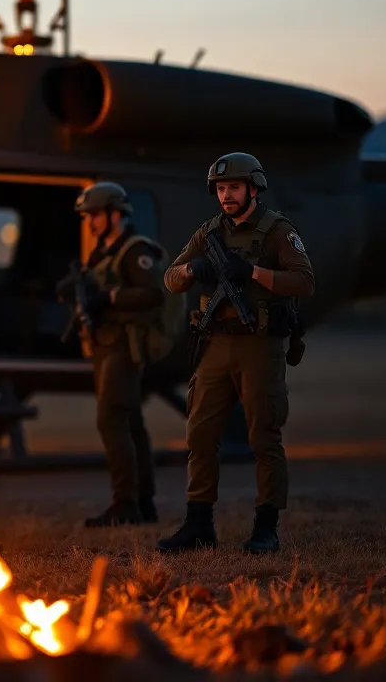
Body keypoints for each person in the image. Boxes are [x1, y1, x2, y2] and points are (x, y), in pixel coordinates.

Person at [156, 152, 314, 555]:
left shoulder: (276, 230)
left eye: (234, 188)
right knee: (200, 434)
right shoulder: (209, 233)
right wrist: (193, 271)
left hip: (259, 344)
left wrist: (254, 273)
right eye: (221, 189)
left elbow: (304, 281)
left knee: (263, 436)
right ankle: (198, 524)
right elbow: (171, 278)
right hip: (216, 344)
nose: (226, 195)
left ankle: (266, 527)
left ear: (253, 189)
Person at [55, 181, 169, 528]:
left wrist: (110, 297)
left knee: (111, 418)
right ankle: (143, 502)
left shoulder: (134, 250)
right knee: (130, 419)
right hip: (103, 344)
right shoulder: (102, 252)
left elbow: (153, 293)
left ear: (115, 214)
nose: (90, 222)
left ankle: (125, 504)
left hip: (124, 345)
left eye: (95, 215)